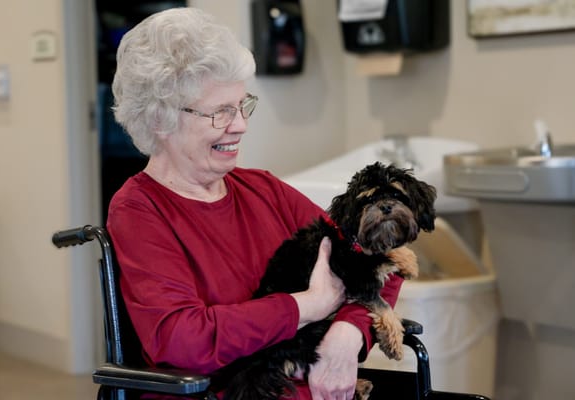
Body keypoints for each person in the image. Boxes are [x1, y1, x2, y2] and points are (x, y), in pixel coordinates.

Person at [106, 7, 403, 400]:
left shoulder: (263, 189)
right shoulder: (139, 210)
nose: (240, 125)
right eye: (220, 113)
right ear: (160, 119)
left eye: (242, 105)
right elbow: (183, 340)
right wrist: (308, 305)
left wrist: (348, 335)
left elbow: (379, 255)